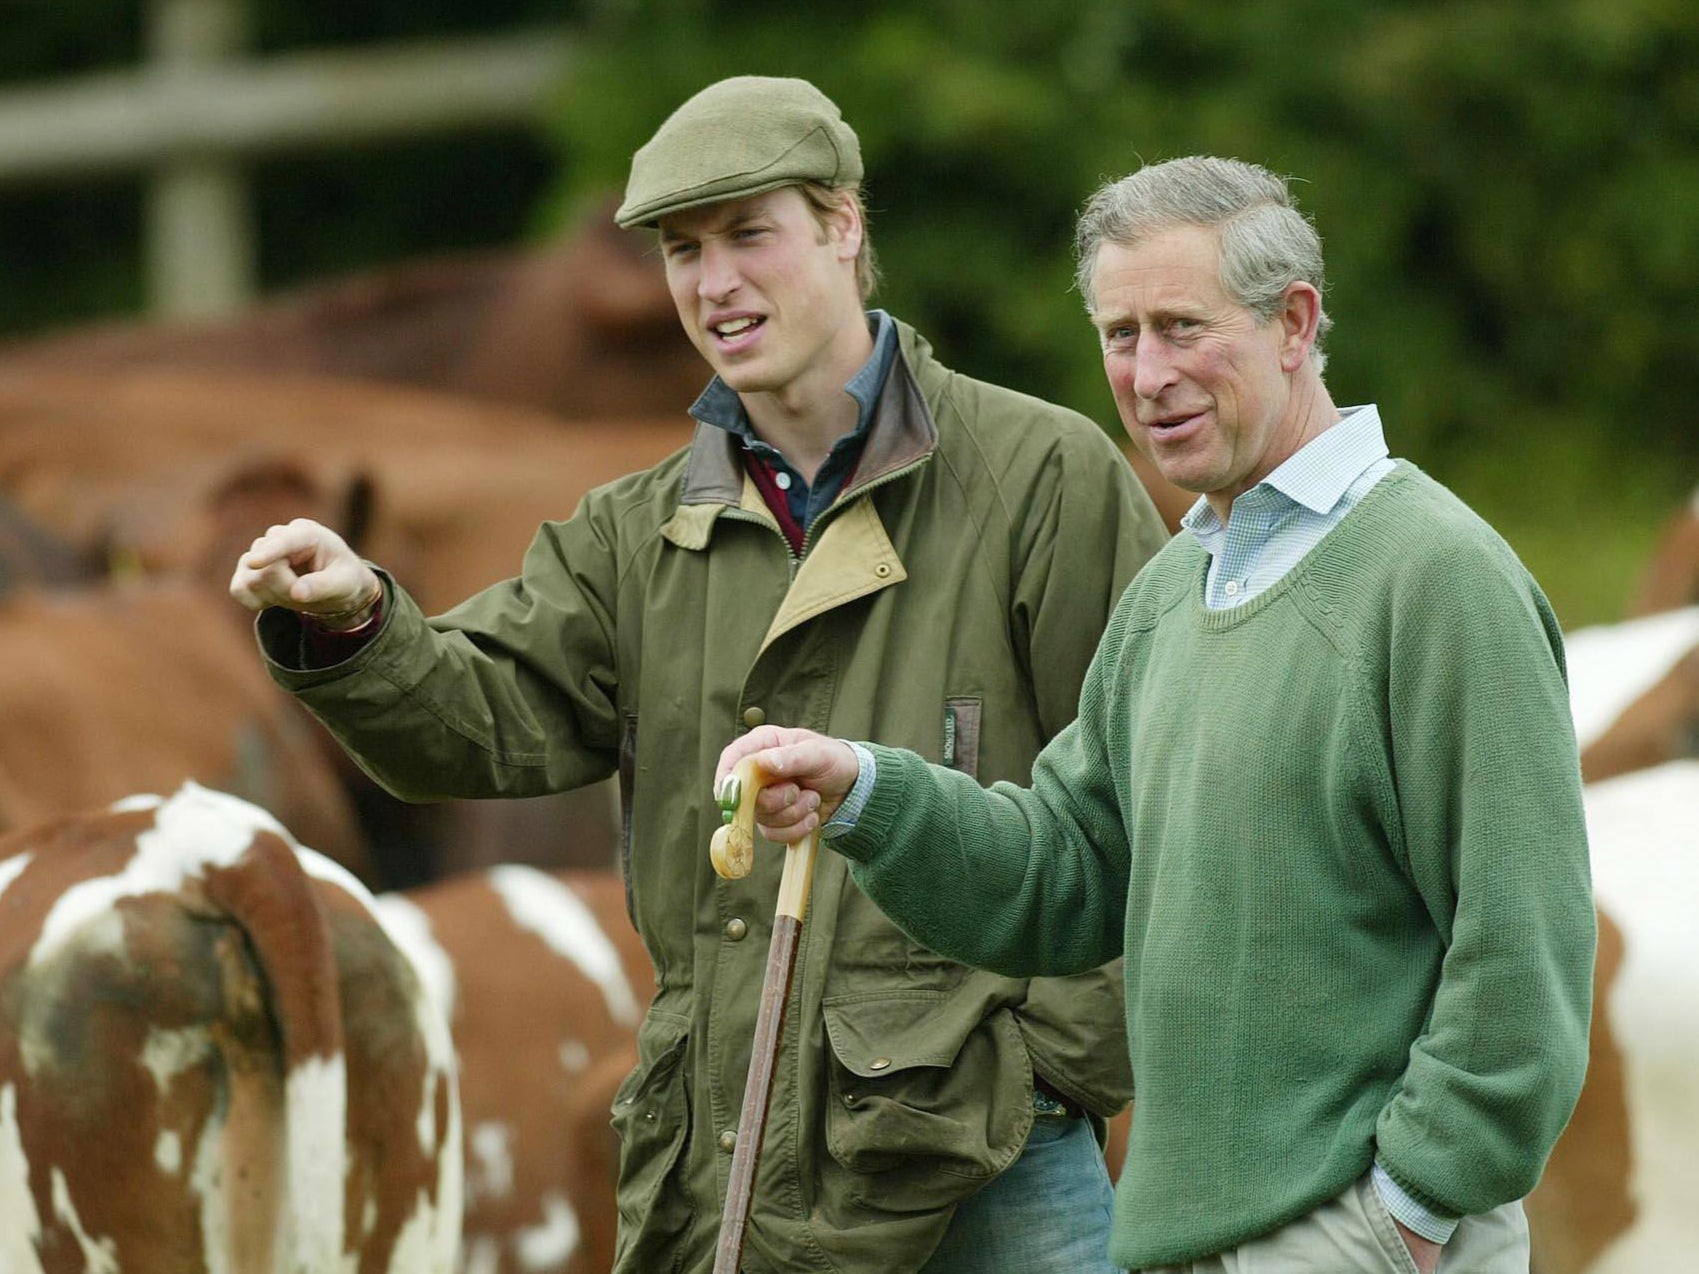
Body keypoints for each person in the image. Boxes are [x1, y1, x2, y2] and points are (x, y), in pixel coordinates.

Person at [229, 77, 1169, 1273]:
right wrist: (360, 619)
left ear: (843, 225)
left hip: (988, 1172)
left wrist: (1040, 1070)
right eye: (681, 250)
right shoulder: (633, 531)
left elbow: (1156, 787)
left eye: (746, 235)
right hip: (716, 1155)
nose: (711, 283)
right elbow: (476, 721)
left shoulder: (1043, 477)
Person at [716, 156, 1596, 1274]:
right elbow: (1064, 870)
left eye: (1182, 326)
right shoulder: (1174, 591)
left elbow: (1525, 942)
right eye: (1119, 333)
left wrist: (1408, 1209)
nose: (1146, 373)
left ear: (1295, 322)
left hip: (1358, 1236)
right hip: (1182, 1239)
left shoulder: (1437, 573)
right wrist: (867, 788)